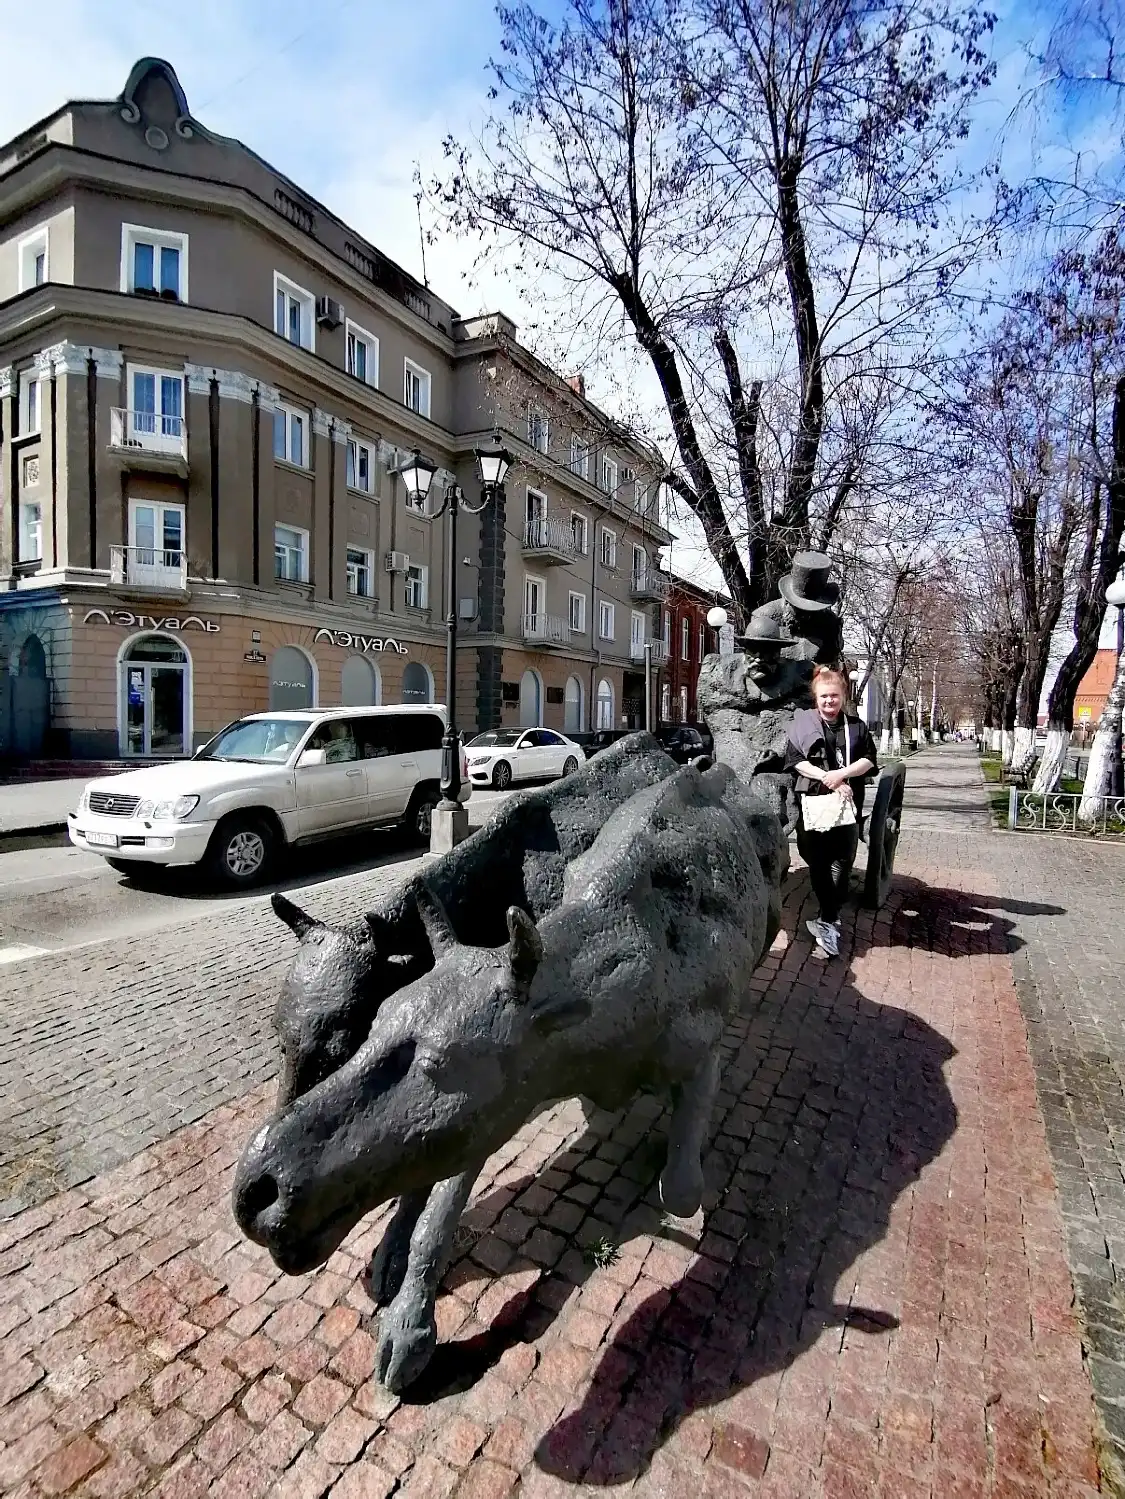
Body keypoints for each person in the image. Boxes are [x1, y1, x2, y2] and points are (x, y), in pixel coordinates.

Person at [785, 665, 878, 958]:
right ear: (816, 697)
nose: (829, 701)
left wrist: (842, 774)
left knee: (843, 860)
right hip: (814, 802)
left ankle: (827, 917)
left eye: (834, 696)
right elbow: (795, 760)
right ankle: (828, 919)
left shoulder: (856, 727)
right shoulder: (803, 725)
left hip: (847, 805)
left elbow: (869, 760)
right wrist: (828, 778)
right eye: (824, 696)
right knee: (817, 860)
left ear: (843, 696)